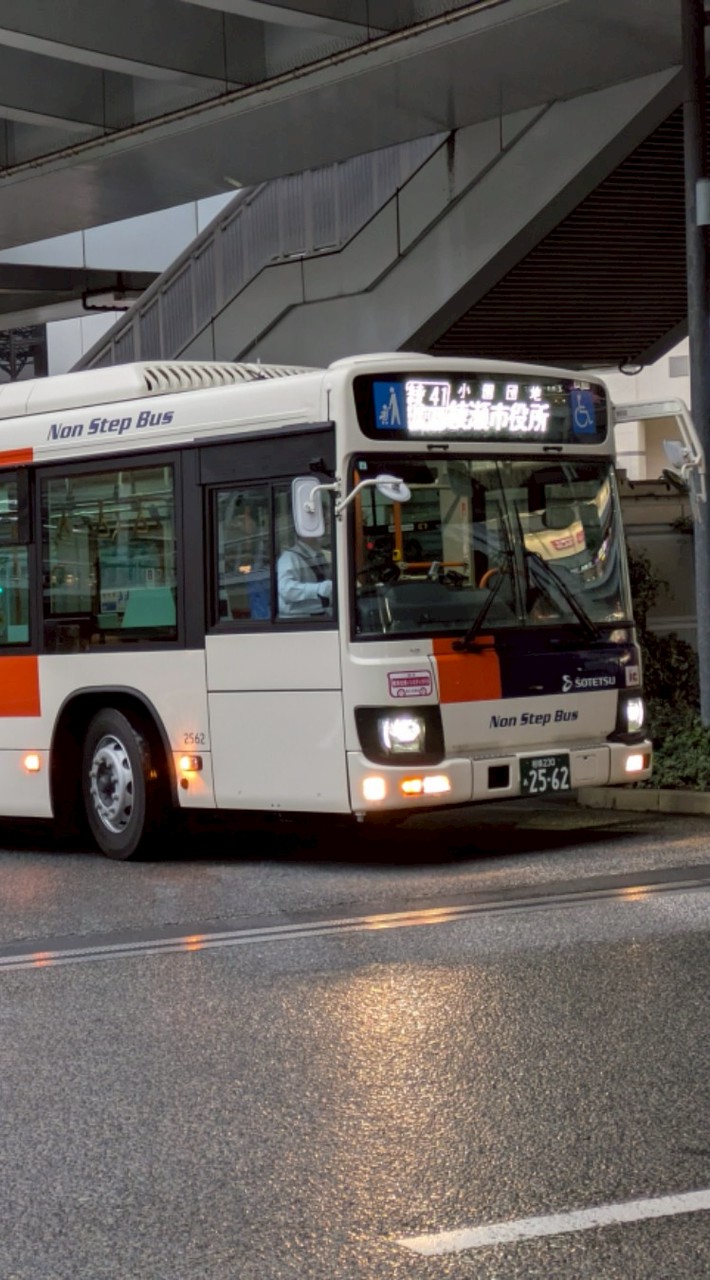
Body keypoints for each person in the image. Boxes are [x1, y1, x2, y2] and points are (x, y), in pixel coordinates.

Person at [277, 534, 333, 617]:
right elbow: (286, 590)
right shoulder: (289, 557)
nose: (326, 533)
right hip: (298, 620)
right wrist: (319, 588)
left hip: (322, 615)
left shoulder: (320, 556)